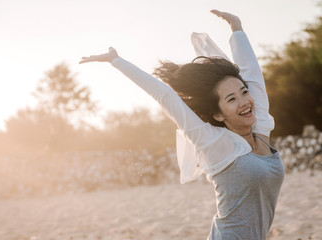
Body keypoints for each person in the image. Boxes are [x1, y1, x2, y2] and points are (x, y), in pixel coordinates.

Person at [79, 9, 284, 240]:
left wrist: (237, 30)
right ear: (218, 115)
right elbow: (165, 96)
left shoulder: (260, 130)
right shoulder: (215, 144)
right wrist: (116, 61)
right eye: (231, 99)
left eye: (244, 92)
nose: (244, 102)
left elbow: (253, 75)